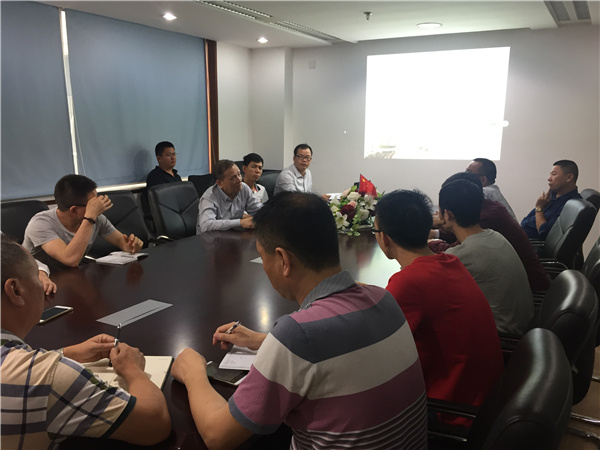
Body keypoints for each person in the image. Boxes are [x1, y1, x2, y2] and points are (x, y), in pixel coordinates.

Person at [173, 192, 428, 449]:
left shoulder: (297, 335)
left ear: (283, 260)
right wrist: (264, 341)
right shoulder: (383, 299)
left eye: (263, 256)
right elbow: (333, 343)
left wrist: (194, 373)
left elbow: (218, 436)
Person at [0, 235, 171, 448]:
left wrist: (66, 354)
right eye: (37, 276)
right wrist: (133, 370)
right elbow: (154, 423)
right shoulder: (46, 378)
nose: (44, 285)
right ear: (16, 290)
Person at [374, 190, 503, 423]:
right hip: (487, 400)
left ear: (384, 238)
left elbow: (375, 349)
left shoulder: (409, 282)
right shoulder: (450, 262)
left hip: (451, 412)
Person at [439, 179, 534, 336]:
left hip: (501, 337)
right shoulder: (496, 236)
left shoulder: (460, 256)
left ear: (447, 214)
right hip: (522, 327)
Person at [429, 172, 551, 292]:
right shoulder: (494, 230)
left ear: (448, 214)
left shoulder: (463, 252)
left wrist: (425, 242)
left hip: (534, 287)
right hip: (522, 294)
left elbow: (453, 252)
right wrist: (436, 233)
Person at [23, 175, 144, 272]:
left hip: (73, 277)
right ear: (74, 210)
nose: (98, 206)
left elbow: (122, 242)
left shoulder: (96, 219)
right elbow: (70, 259)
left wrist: (131, 246)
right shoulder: (40, 224)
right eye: (93, 204)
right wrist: (89, 218)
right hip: (41, 281)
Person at [521, 159, 581, 240]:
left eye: (554, 174)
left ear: (569, 177)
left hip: (529, 244)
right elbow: (525, 221)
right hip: (520, 236)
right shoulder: (552, 197)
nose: (549, 179)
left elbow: (545, 234)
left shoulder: (571, 205)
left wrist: (539, 208)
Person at [196, 159, 263, 233]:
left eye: (239, 175)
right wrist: (240, 222)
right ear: (220, 183)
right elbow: (206, 225)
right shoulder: (209, 197)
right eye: (233, 178)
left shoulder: (243, 188)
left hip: (235, 235)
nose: (239, 180)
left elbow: (259, 210)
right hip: (211, 238)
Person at [141, 141, 182, 219]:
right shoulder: (155, 177)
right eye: (169, 155)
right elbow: (162, 202)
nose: (173, 158)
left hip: (180, 213)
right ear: (159, 158)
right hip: (167, 216)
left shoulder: (177, 177)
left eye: (174, 154)